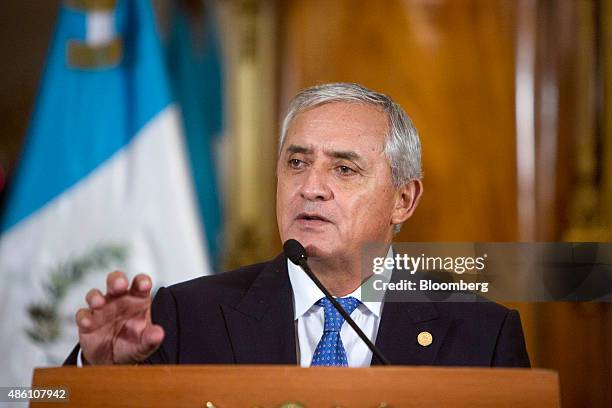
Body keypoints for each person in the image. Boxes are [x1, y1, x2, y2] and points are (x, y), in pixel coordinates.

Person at [65, 82, 530, 367]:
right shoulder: (183, 318)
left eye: (344, 169)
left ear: (403, 200)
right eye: (296, 162)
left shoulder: (481, 334)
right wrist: (95, 369)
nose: (311, 187)